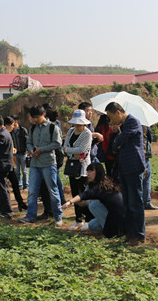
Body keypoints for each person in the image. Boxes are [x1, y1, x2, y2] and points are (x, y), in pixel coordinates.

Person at [104, 102, 146, 246]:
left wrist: (117, 143)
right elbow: (118, 143)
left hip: (133, 167)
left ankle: (139, 235)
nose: (110, 121)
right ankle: (130, 233)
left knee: (135, 202)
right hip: (125, 168)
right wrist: (117, 142)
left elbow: (119, 142)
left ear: (118, 112)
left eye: (111, 117)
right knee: (127, 203)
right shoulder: (124, 125)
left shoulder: (133, 121)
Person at [19, 105, 64, 227]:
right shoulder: (32, 128)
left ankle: (58, 216)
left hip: (48, 163)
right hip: (35, 164)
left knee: (53, 190)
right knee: (32, 191)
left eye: (37, 117)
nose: (35, 120)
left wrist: (41, 149)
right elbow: (28, 142)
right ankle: (30, 216)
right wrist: (31, 149)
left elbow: (57, 143)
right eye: (33, 118)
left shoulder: (52, 127)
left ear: (43, 115)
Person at [62, 162, 125, 238]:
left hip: (119, 216)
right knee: (92, 225)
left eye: (91, 171)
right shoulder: (101, 183)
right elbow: (83, 201)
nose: (88, 174)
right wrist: (72, 202)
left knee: (94, 205)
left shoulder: (101, 187)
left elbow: (84, 195)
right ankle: (112, 229)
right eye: (87, 171)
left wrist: (70, 201)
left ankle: (111, 233)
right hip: (113, 215)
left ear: (98, 172)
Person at [63, 109, 93, 230]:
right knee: (75, 193)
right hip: (72, 167)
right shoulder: (70, 131)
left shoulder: (87, 134)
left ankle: (89, 220)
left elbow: (82, 150)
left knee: (84, 194)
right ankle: (78, 219)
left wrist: (69, 150)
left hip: (83, 168)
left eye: (80, 123)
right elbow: (64, 147)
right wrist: (70, 151)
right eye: (76, 123)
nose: (78, 125)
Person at [3, 117, 28, 211]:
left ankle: (20, 202)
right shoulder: (4, 134)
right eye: (12, 125)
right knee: (3, 187)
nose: (13, 127)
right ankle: (3, 208)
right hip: (5, 163)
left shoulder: (20, 131)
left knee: (21, 174)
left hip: (14, 159)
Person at [10, 115, 29, 189]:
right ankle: (19, 184)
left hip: (23, 153)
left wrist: (27, 151)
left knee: (24, 171)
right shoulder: (10, 132)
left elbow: (27, 141)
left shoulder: (23, 130)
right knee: (17, 170)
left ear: (16, 121)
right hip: (14, 154)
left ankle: (26, 185)